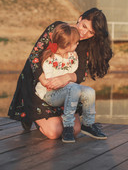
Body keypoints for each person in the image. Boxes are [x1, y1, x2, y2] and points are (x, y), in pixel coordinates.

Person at [8, 8, 112, 141]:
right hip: (39, 83)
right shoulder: (58, 30)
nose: (84, 33)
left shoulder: (83, 44)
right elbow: (35, 55)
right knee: (55, 132)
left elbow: (80, 74)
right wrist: (45, 81)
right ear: (80, 19)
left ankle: (73, 121)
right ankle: (32, 116)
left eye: (91, 32)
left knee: (75, 130)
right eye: (84, 26)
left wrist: (66, 77)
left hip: (63, 89)